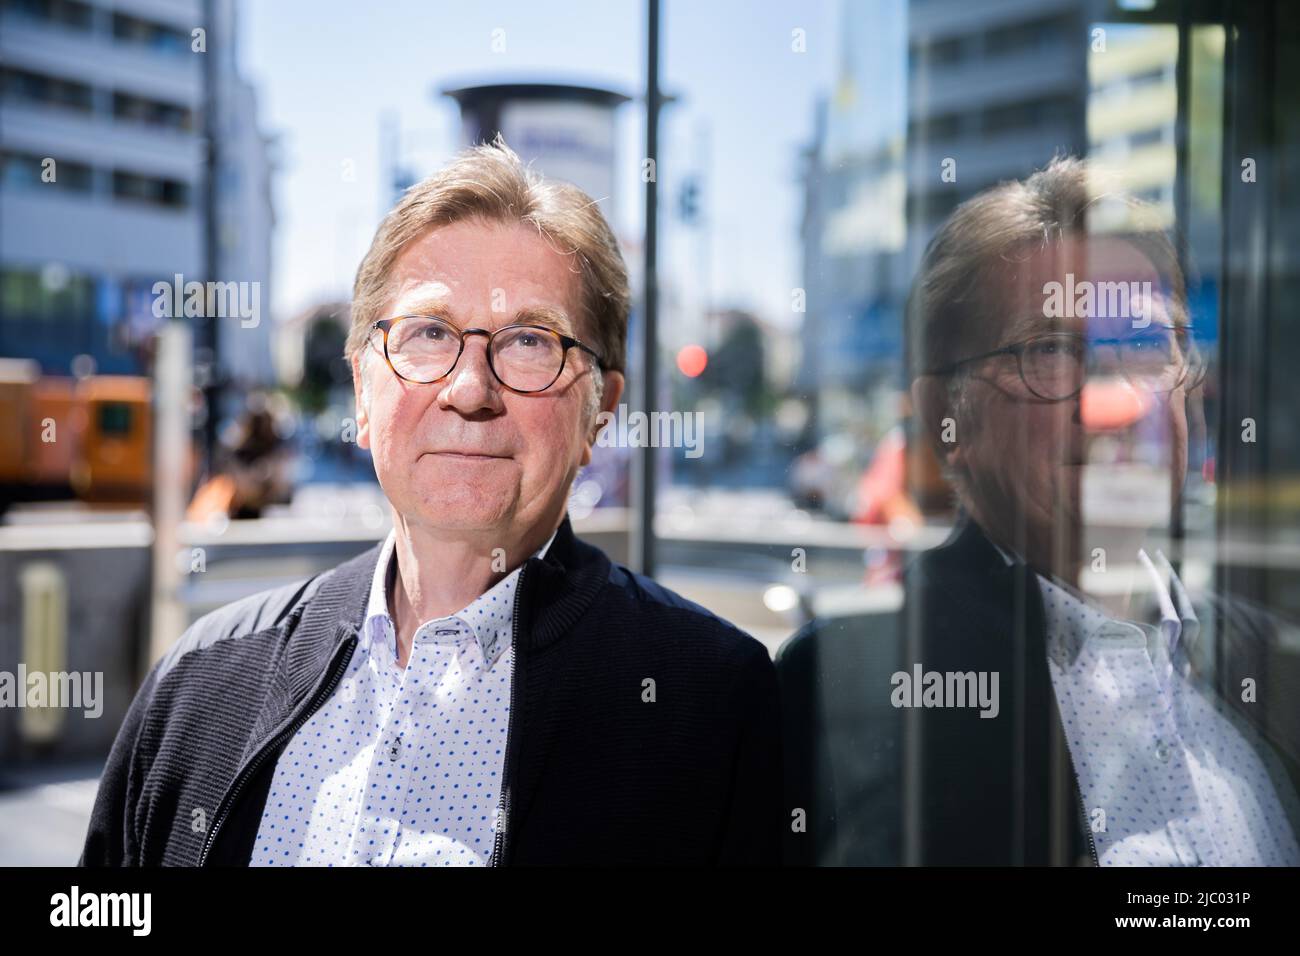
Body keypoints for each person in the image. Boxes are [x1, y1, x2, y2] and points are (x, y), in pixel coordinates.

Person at [80, 138, 782, 867]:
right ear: (362, 388)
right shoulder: (203, 680)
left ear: (598, 410)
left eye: (529, 342)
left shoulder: (707, 705)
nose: (470, 390)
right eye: (429, 333)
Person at [778, 156, 1300, 866]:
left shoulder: (1271, 661)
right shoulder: (855, 688)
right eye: (1052, 352)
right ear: (945, 418)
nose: (1114, 408)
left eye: (1147, 346)